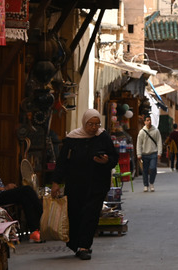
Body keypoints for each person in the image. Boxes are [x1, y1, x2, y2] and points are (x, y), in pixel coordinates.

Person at [51, 109, 118, 260]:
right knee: (74, 214)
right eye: (90, 124)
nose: (94, 127)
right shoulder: (72, 138)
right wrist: (56, 183)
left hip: (97, 184)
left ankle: (84, 246)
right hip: (75, 184)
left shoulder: (103, 137)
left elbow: (114, 156)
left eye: (96, 124)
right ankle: (76, 244)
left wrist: (106, 160)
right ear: (84, 123)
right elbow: (62, 163)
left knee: (91, 214)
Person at [0, 135, 43, 242]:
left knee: (25, 198)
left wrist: (6, 188)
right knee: (27, 190)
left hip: (1, 193)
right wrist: (4, 188)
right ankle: (43, 216)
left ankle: (34, 232)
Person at [137, 114, 161, 192]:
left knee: (153, 168)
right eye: (147, 120)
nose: (149, 122)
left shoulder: (156, 131)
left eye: (150, 120)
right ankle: (145, 185)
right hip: (144, 154)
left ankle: (151, 183)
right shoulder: (141, 132)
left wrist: (159, 152)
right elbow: (139, 143)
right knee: (145, 170)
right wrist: (139, 154)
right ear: (144, 122)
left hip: (153, 153)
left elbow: (159, 142)